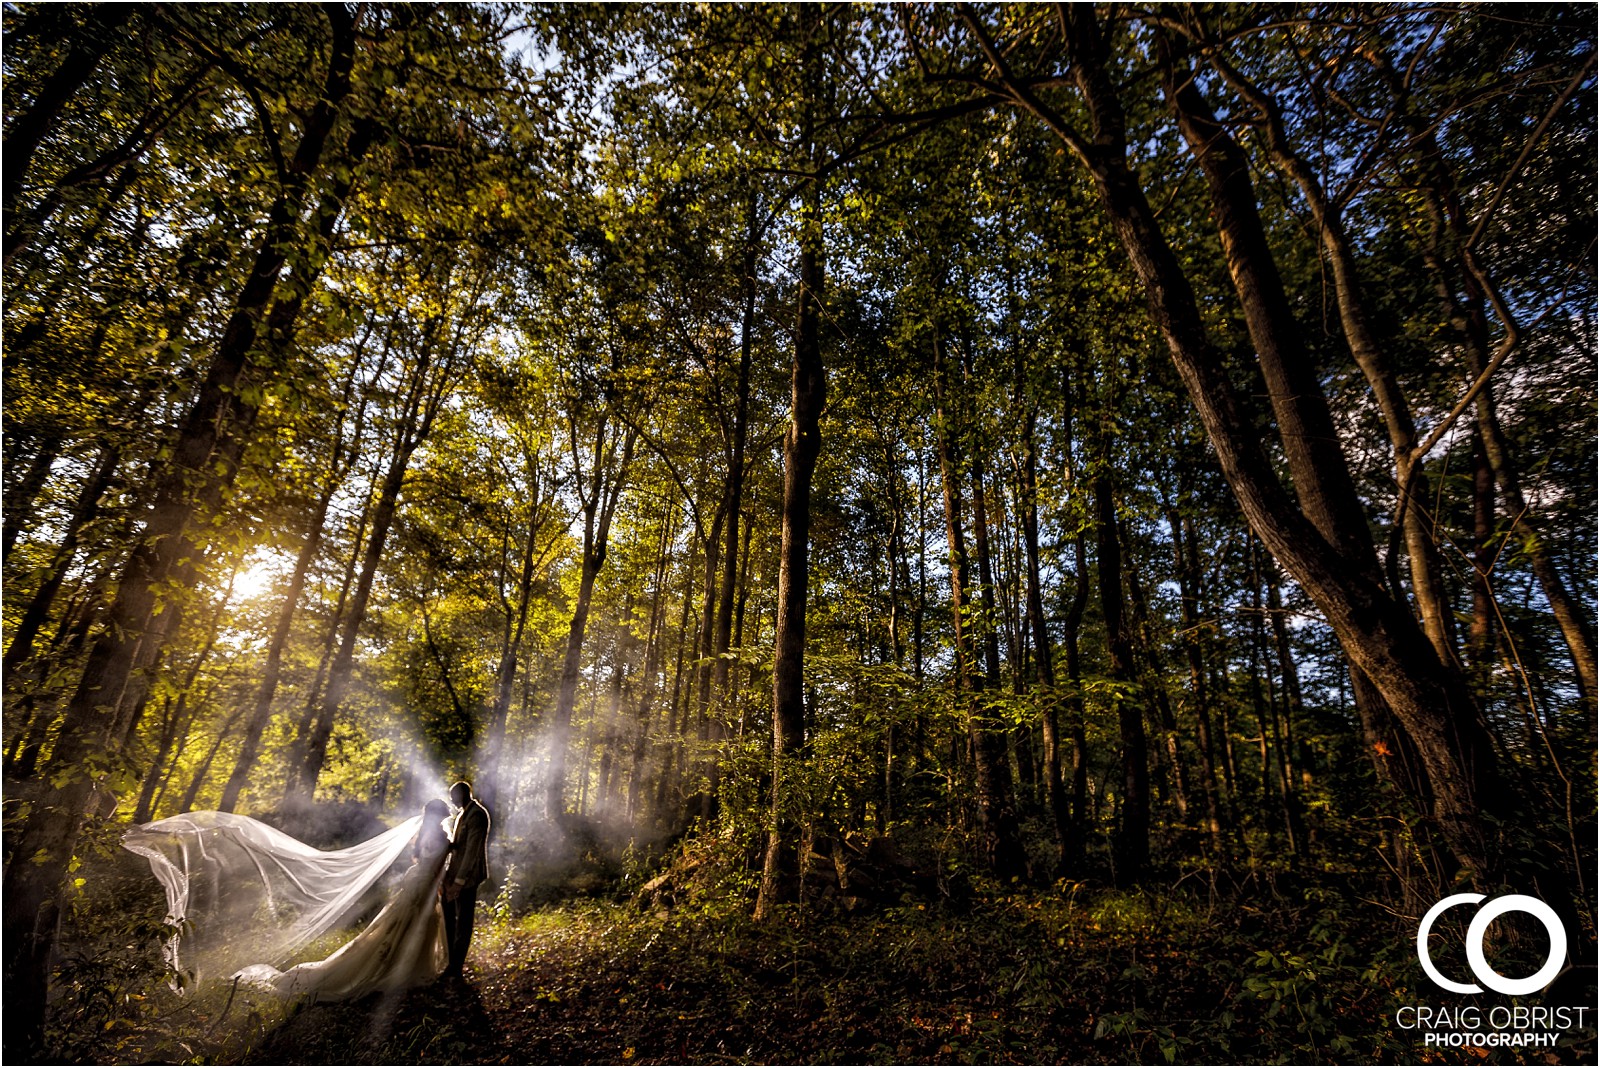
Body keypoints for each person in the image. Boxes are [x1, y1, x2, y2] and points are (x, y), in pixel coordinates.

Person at [230, 799, 452, 1001]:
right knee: (411, 921)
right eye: (444, 813)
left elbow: (424, 860)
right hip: (423, 882)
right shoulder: (441, 837)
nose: (446, 816)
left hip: (419, 880)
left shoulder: (426, 834)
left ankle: (403, 963)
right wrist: (442, 875)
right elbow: (436, 865)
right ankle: (398, 967)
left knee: (407, 923)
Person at [441, 780, 491, 979]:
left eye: (453, 796)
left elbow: (472, 852)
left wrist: (459, 882)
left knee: (464, 921)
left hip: (468, 877)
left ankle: (456, 967)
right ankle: (451, 961)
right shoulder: (463, 813)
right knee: (450, 917)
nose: (451, 800)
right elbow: (459, 846)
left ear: (463, 794)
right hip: (455, 874)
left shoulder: (477, 815)